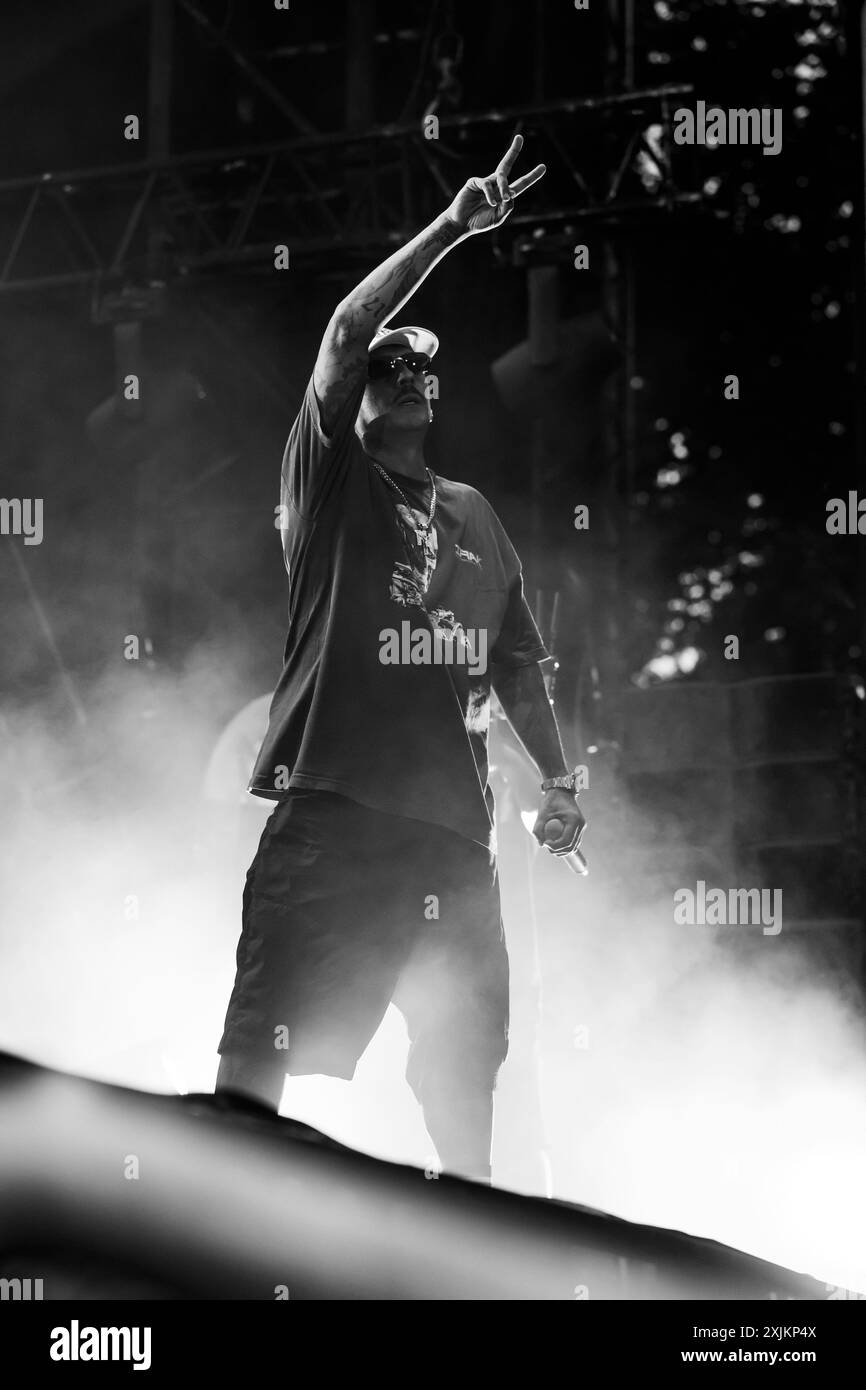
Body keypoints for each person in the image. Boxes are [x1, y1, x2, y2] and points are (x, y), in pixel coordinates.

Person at [216, 136, 585, 1184]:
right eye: (389, 366)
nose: (406, 374)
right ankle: (223, 1216)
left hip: (446, 832)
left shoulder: (471, 511)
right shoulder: (329, 478)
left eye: (422, 366)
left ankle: (475, 1228)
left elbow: (517, 661)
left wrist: (556, 781)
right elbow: (341, 329)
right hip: (332, 807)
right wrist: (453, 227)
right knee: (266, 1033)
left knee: (466, 1058)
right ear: (364, 394)